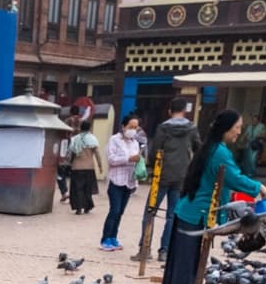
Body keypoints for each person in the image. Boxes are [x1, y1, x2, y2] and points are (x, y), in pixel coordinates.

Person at [160, 110, 266, 284]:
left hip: (193, 210)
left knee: (190, 258)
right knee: (187, 259)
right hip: (196, 211)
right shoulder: (219, 152)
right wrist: (259, 187)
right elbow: (233, 178)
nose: (239, 132)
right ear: (226, 129)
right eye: (237, 128)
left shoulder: (216, 147)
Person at [136, 97, 200, 260]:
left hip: (161, 174)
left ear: (170, 110)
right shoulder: (192, 128)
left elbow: (154, 150)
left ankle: (145, 248)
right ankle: (164, 250)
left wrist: (151, 167)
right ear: (185, 110)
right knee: (172, 215)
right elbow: (198, 149)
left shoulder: (163, 128)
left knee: (150, 211)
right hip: (181, 176)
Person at [99, 114, 142, 252]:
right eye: (131, 127)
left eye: (135, 127)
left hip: (129, 182)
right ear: (123, 126)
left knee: (120, 212)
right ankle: (105, 239)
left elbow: (136, 160)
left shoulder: (135, 143)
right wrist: (129, 158)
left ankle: (113, 237)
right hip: (116, 180)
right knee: (114, 210)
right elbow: (111, 159)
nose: (133, 130)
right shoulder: (114, 140)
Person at [67, 124, 101, 214]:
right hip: (89, 167)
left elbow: (70, 153)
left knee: (77, 188)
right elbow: (97, 154)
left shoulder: (75, 139)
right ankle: (87, 207)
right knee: (87, 188)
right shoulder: (93, 139)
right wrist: (100, 166)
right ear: (89, 128)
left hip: (76, 167)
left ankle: (78, 208)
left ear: (80, 128)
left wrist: (69, 163)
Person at [56, 106, 81, 203]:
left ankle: (65, 192)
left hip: (67, 151)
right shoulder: (83, 121)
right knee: (75, 175)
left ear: (70, 112)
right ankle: (74, 195)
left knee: (60, 173)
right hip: (79, 152)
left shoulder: (67, 121)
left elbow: (62, 133)